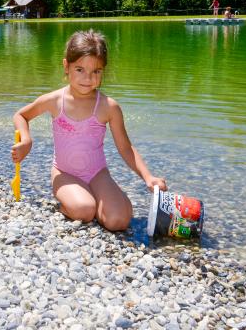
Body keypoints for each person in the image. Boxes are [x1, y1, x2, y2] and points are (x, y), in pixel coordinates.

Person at [11, 30, 167, 231]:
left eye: (96, 71)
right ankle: (70, 204)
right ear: (66, 66)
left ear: (103, 71)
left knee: (118, 221)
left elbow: (125, 147)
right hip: (64, 172)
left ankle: (105, 201)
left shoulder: (108, 107)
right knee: (84, 210)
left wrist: (148, 177)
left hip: (97, 173)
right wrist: (26, 141)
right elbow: (21, 115)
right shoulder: (55, 100)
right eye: (80, 70)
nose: (88, 78)